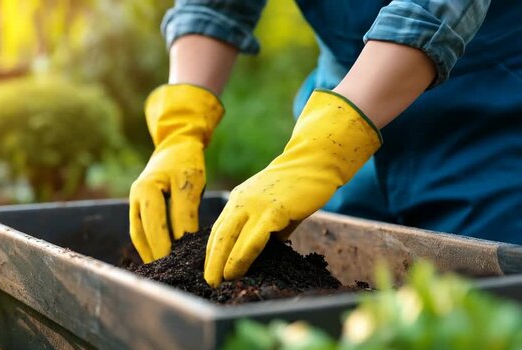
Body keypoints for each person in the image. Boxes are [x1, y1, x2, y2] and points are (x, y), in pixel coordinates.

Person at [129, 0, 522, 287]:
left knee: (479, 313)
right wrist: (181, 127)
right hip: (342, 115)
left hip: (485, 122)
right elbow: (216, 7)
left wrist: (327, 147)